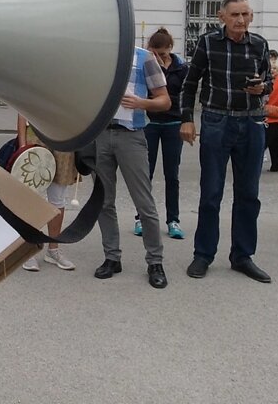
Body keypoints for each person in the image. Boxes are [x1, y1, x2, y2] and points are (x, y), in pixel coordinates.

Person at [181, 0, 274, 284]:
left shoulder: (258, 44)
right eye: (235, 14)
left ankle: (242, 256)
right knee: (211, 192)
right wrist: (187, 119)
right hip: (216, 120)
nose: (241, 20)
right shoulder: (207, 43)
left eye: (246, 14)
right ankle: (204, 253)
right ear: (222, 16)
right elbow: (190, 83)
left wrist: (262, 89)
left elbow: (269, 80)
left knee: (248, 193)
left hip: (251, 122)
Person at [87, 47, 170, 289]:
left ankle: (155, 262)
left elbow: (164, 100)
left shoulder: (144, 58)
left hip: (131, 136)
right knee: (103, 201)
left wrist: (141, 102)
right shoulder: (97, 57)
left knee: (144, 203)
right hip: (100, 135)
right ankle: (112, 257)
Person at [141, 27, 188, 239]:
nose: (158, 57)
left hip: (173, 123)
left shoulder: (181, 68)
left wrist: (187, 121)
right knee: (145, 173)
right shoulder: (145, 64)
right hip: (150, 122)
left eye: (162, 53)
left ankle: (173, 220)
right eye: (154, 53)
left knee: (172, 175)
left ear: (170, 48)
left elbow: (186, 96)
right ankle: (140, 218)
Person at [15, 115, 77, 272]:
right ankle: (29, 249)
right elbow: (22, 109)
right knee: (31, 197)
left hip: (63, 139)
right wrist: (22, 144)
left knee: (58, 199)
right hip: (35, 137)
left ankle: (53, 249)